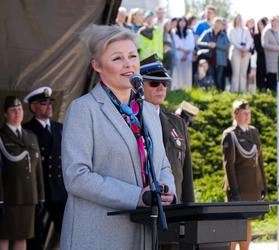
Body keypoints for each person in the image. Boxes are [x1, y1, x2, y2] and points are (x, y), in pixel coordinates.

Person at [60, 24, 176, 250]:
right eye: (117, 58)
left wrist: (166, 189)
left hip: (143, 234)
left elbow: (164, 166)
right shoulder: (83, 109)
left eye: (133, 56)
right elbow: (76, 176)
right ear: (97, 66)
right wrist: (138, 197)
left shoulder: (149, 112)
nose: (129, 64)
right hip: (97, 236)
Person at [141, 54, 195, 204]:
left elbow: (186, 175)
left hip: (174, 210)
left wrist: (189, 211)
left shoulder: (178, 124)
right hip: (144, 209)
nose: (161, 88)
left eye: (164, 83)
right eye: (154, 83)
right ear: (139, 85)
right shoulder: (130, 120)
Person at [23, 87, 67, 250]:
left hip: (58, 188)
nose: (49, 106)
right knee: (35, 235)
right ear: (33, 107)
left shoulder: (60, 128)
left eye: (50, 102)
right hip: (36, 191)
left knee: (67, 230)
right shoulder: (26, 130)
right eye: (43, 103)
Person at [221, 99, 267, 250]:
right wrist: (234, 190)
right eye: (244, 113)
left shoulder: (253, 132)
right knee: (235, 224)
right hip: (239, 187)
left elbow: (259, 160)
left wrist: (263, 185)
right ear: (235, 114)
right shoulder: (230, 135)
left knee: (248, 222)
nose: (247, 116)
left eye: (249, 113)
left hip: (252, 186)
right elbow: (229, 165)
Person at [0, 96, 45, 250]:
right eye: (13, 110)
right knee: (4, 237)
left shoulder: (31, 136)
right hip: (8, 197)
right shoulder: (1, 136)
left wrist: (41, 195)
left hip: (28, 197)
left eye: (19, 109)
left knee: (22, 237)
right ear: (5, 114)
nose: (17, 112)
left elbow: (38, 169)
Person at [198, 17, 229, 90]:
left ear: (221, 25)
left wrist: (216, 45)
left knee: (219, 78)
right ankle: (212, 92)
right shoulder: (207, 32)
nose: (218, 25)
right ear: (213, 23)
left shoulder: (224, 35)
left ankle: (219, 93)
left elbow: (226, 46)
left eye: (219, 23)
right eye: (216, 23)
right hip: (209, 58)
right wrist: (208, 44)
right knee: (212, 77)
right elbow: (199, 43)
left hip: (220, 60)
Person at [228, 13, 253, 93]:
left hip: (245, 52)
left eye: (240, 18)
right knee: (236, 72)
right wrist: (241, 48)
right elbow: (232, 40)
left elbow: (250, 40)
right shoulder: (231, 29)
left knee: (243, 72)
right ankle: (234, 90)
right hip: (236, 51)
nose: (238, 20)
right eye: (237, 18)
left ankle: (242, 90)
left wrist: (246, 48)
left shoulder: (245, 29)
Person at [171, 17, 195, 90]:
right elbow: (175, 44)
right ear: (178, 22)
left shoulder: (189, 32)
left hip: (188, 55)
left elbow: (191, 44)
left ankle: (186, 88)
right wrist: (182, 51)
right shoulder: (173, 32)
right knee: (177, 73)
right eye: (180, 21)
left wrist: (186, 53)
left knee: (187, 72)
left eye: (184, 21)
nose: (182, 23)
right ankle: (177, 88)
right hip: (178, 55)